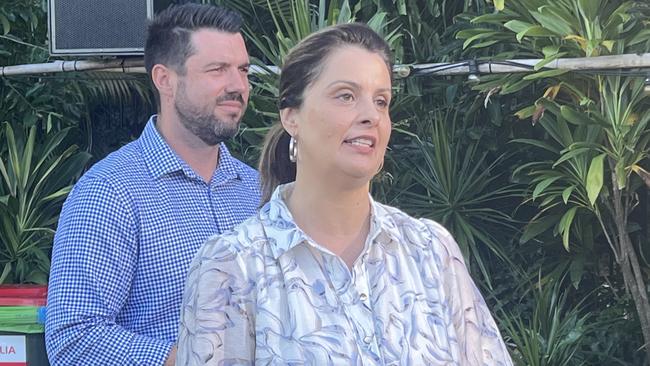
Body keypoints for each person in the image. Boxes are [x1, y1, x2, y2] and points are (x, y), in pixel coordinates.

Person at [176, 22, 513, 365]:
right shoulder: (233, 266)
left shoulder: (430, 251)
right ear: (292, 116)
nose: (371, 115)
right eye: (346, 96)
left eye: (381, 101)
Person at [45, 4, 260, 366]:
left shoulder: (257, 191)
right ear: (165, 80)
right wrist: (193, 361)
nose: (238, 86)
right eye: (217, 70)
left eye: (242, 70)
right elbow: (73, 337)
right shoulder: (109, 192)